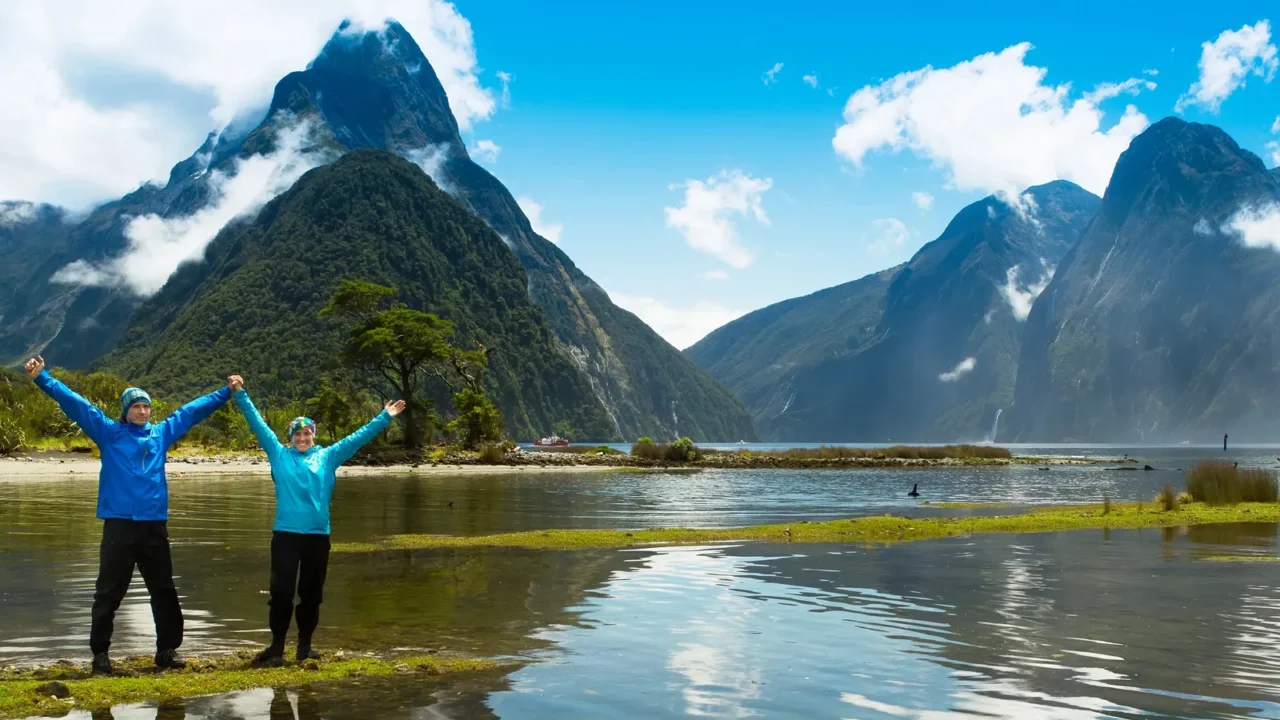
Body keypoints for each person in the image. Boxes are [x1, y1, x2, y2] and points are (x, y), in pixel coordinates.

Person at [24, 355, 234, 674]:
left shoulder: (161, 434)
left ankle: (166, 651)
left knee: (163, 589)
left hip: (153, 526)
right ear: (126, 410)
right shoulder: (109, 433)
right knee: (108, 591)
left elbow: (192, 411)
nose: (142, 411)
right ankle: (101, 656)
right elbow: (76, 404)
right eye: (136, 406)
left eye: (146, 406)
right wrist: (43, 378)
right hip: (119, 526)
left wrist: (225, 393)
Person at [229, 375, 404, 665]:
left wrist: (384, 417)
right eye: (297, 435)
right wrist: (240, 394)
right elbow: (257, 423)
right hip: (285, 535)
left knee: (311, 595)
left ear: (313, 435)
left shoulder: (328, 456)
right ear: (290, 437)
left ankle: (305, 647)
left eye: (306, 434)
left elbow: (358, 437)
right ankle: (276, 647)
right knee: (281, 594)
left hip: (317, 537)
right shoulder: (278, 454)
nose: (302, 438)